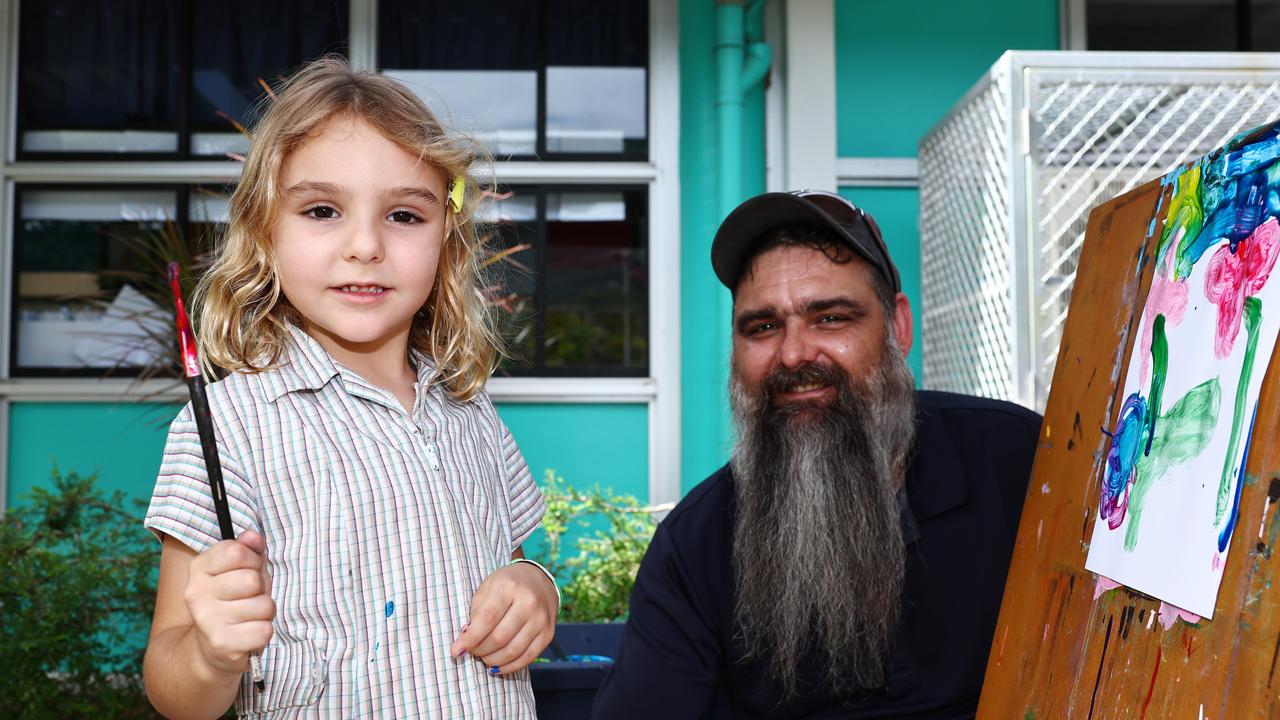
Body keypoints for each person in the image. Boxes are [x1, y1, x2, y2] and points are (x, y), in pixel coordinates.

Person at [142, 57, 557, 720]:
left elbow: (513, 562)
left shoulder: (468, 408)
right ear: (264, 233)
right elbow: (172, 684)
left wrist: (536, 588)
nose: (365, 245)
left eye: (404, 216)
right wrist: (209, 656)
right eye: (323, 209)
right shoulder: (228, 425)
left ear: (445, 240)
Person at [593, 190, 1042, 719]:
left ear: (897, 328)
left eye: (830, 317)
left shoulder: (1023, 464)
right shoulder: (697, 545)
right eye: (762, 327)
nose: (793, 353)